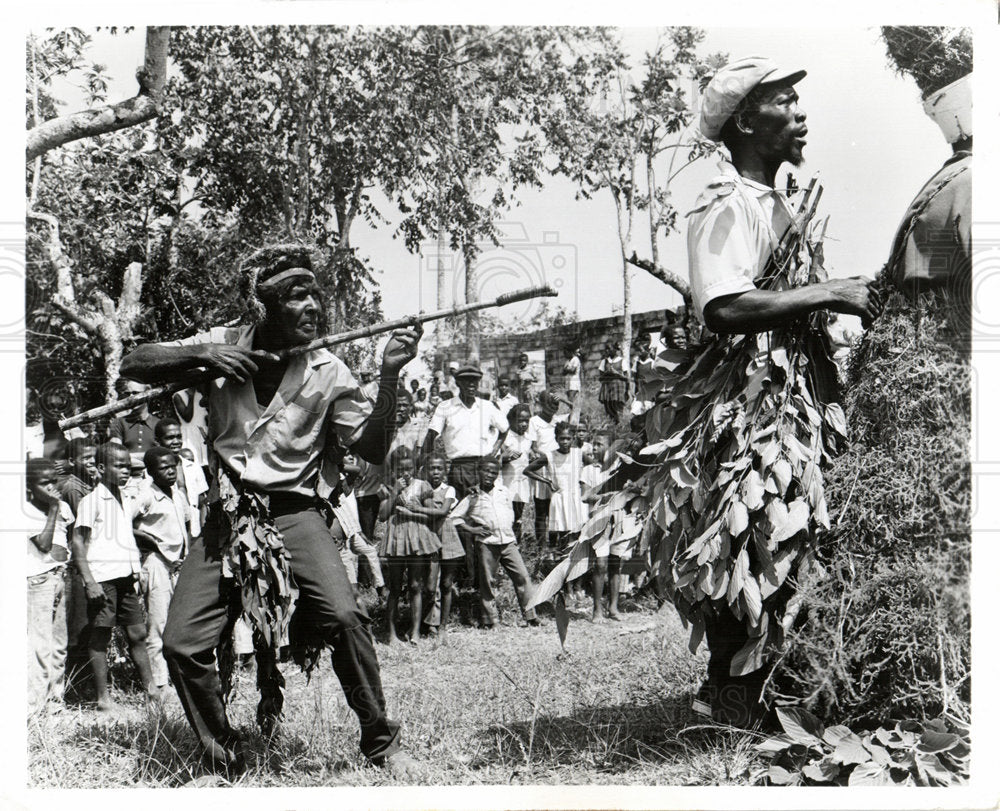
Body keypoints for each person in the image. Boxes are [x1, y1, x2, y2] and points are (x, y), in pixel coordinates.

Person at [119, 243, 421, 776]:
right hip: (226, 513)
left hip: (295, 511)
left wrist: (391, 375)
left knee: (346, 617)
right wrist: (204, 358)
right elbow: (134, 361)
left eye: (314, 294)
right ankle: (224, 755)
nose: (312, 306)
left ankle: (381, 741)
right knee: (182, 643)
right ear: (262, 307)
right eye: (296, 296)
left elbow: (371, 449)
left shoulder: (329, 368)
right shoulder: (219, 345)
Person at [681, 57, 881, 725]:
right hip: (755, 412)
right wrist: (830, 291)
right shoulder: (725, 201)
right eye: (783, 102)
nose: (800, 112)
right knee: (758, 542)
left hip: (800, 400)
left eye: (800, 100)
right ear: (744, 120)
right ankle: (737, 697)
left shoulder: (778, 204)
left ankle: (779, 691)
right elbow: (725, 307)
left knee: (800, 547)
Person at [71, 443, 157, 713]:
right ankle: (103, 699)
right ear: (100, 469)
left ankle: (151, 691)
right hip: (103, 578)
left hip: (125, 577)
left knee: (137, 633)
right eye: (118, 466)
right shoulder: (92, 501)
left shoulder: (125, 498)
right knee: (100, 636)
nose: (125, 471)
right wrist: (89, 581)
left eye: (127, 466)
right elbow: (78, 542)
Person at [450, 458, 542, 629]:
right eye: (486, 471)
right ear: (479, 472)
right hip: (487, 543)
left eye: (493, 472)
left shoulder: (503, 491)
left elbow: (509, 512)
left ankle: (530, 616)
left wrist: (510, 530)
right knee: (488, 582)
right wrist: (473, 530)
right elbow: (455, 517)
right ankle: (490, 620)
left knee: (522, 576)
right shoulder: (473, 496)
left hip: (507, 541)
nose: (489, 475)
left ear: (497, 474)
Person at [133, 446, 191, 692]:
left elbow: (186, 524)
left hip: (179, 563)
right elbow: (126, 523)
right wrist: (150, 542)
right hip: (157, 563)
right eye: (163, 468)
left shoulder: (177, 493)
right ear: (150, 472)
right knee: (158, 622)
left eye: (172, 466)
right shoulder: (146, 495)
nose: (169, 471)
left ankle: (182, 676)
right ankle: (159, 681)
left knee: (181, 622)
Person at [378, 451, 441, 645]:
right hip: (397, 537)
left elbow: (432, 515)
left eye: (409, 468)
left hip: (417, 538)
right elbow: (382, 515)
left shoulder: (423, 486)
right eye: (401, 469)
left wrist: (411, 513)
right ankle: (391, 634)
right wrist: (395, 491)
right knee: (395, 587)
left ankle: (415, 632)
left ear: (415, 468)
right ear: (394, 469)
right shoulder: (388, 487)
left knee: (415, 585)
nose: (405, 473)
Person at [26, 457, 72, 715]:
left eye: (54, 482)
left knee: (58, 644)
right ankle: (34, 705)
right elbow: (43, 544)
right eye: (45, 484)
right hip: (37, 580)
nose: (53, 488)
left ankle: (55, 702)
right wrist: (54, 508)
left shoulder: (62, 507)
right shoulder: (26, 509)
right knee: (39, 645)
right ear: (29, 487)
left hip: (58, 576)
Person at [421, 363, 509, 500]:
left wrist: (495, 449)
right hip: (459, 468)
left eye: (475, 381)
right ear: (458, 383)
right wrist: (425, 464)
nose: (472, 385)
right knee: (460, 510)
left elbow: (505, 428)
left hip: (484, 466)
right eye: (467, 381)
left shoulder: (486, 406)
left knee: (484, 508)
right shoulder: (446, 406)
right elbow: (431, 435)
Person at [333, 453, 387, 600]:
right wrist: (336, 462)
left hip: (352, 529)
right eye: (345, 455)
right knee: (349, 562)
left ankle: (380, 587)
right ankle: (356, 593)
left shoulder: (346, 480)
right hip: (341, 531)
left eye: (351, 454)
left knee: (370, 551)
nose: (350, 457)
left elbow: (357, 470)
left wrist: (358, 530)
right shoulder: (331, 481)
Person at [155, 417, 210, 538]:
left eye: (179, 437)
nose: (176, 441)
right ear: (157, 441)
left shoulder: (194, 467)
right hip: (169, 534)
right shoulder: (153, 472)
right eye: (170, 438)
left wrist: (203, 533)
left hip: (194, 531)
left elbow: (202, 502)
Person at [528, 390, 566, 553]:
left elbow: (576, 412)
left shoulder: (558, 420)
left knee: (555, 508)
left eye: (556, 406)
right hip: (542, 468)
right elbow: (534, 447)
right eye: (550, 405)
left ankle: (554, 543)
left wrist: (565, 400)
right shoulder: (534, 421)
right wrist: (548, 457)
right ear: (542, 405)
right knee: (542, 509)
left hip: (557, 469)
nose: (553, 409)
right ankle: (541, 546)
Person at [500, 405, 535, 542]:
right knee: (507, 513)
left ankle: (517, 543)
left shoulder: (528, 439)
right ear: (512, 420)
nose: (524, 424)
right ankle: (506, 542)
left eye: (527, 421)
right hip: (507, 481)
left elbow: (528, 456)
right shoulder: (506, 437)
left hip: (522, 481)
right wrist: (506, 457)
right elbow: (498, 458)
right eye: (520, 420)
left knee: (518, 515)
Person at [107, 379, 159, 456]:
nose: (131, 397)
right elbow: (114, 454)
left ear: (148, 394)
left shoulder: (159, 424)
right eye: (127, 394)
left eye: (136, 393)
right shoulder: (119, 423)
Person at [597, 342, 628, 425]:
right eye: (606, 349)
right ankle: (611, 427)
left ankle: (619, 427)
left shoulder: (622, 361)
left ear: (615, 349)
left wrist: (616, 373)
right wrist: (606, 373)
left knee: (617, 409)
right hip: (607, 388)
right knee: (608, 409)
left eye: (609, 348)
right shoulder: (604, 361)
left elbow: (626, 378)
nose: (607, 351)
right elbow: (600, 378)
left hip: (618, 389)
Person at [630, 341, 656, 418]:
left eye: (641, 351)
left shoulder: (652, 363)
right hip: (639, 390)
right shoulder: (637, 363)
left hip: (649, 391)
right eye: (637, 352)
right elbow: (633, 377)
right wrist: (632, 389)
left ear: (647, 351)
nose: (639, 354)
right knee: (635, 410)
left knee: (648, 410)